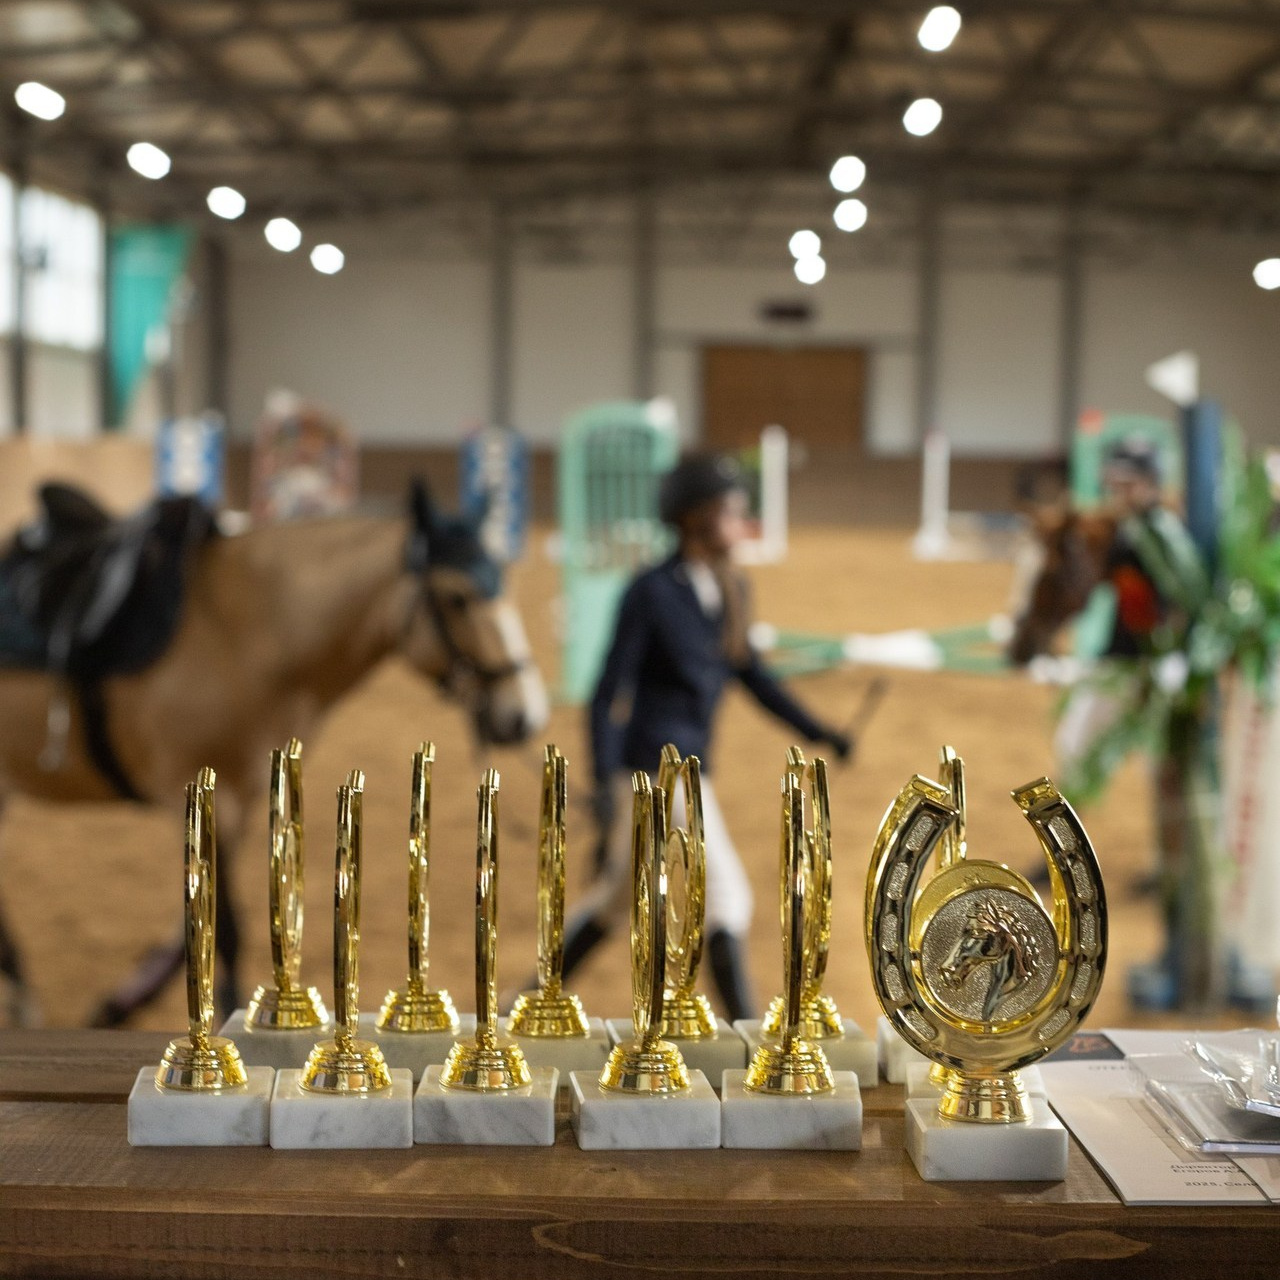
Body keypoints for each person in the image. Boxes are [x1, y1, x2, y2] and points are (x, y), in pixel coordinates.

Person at [558, 452, 852, 1022]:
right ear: (693, 519)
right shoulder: (649, 591)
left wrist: (823, 732)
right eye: (730, 510)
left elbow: (752, 675)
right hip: (654, 772)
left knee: (618, 900)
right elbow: (605, 693)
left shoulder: (731, 588)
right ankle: (747, 1031)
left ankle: (535, 994)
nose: (741, 521)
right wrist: (604, 784)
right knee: (726, 898)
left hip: (694, 771)